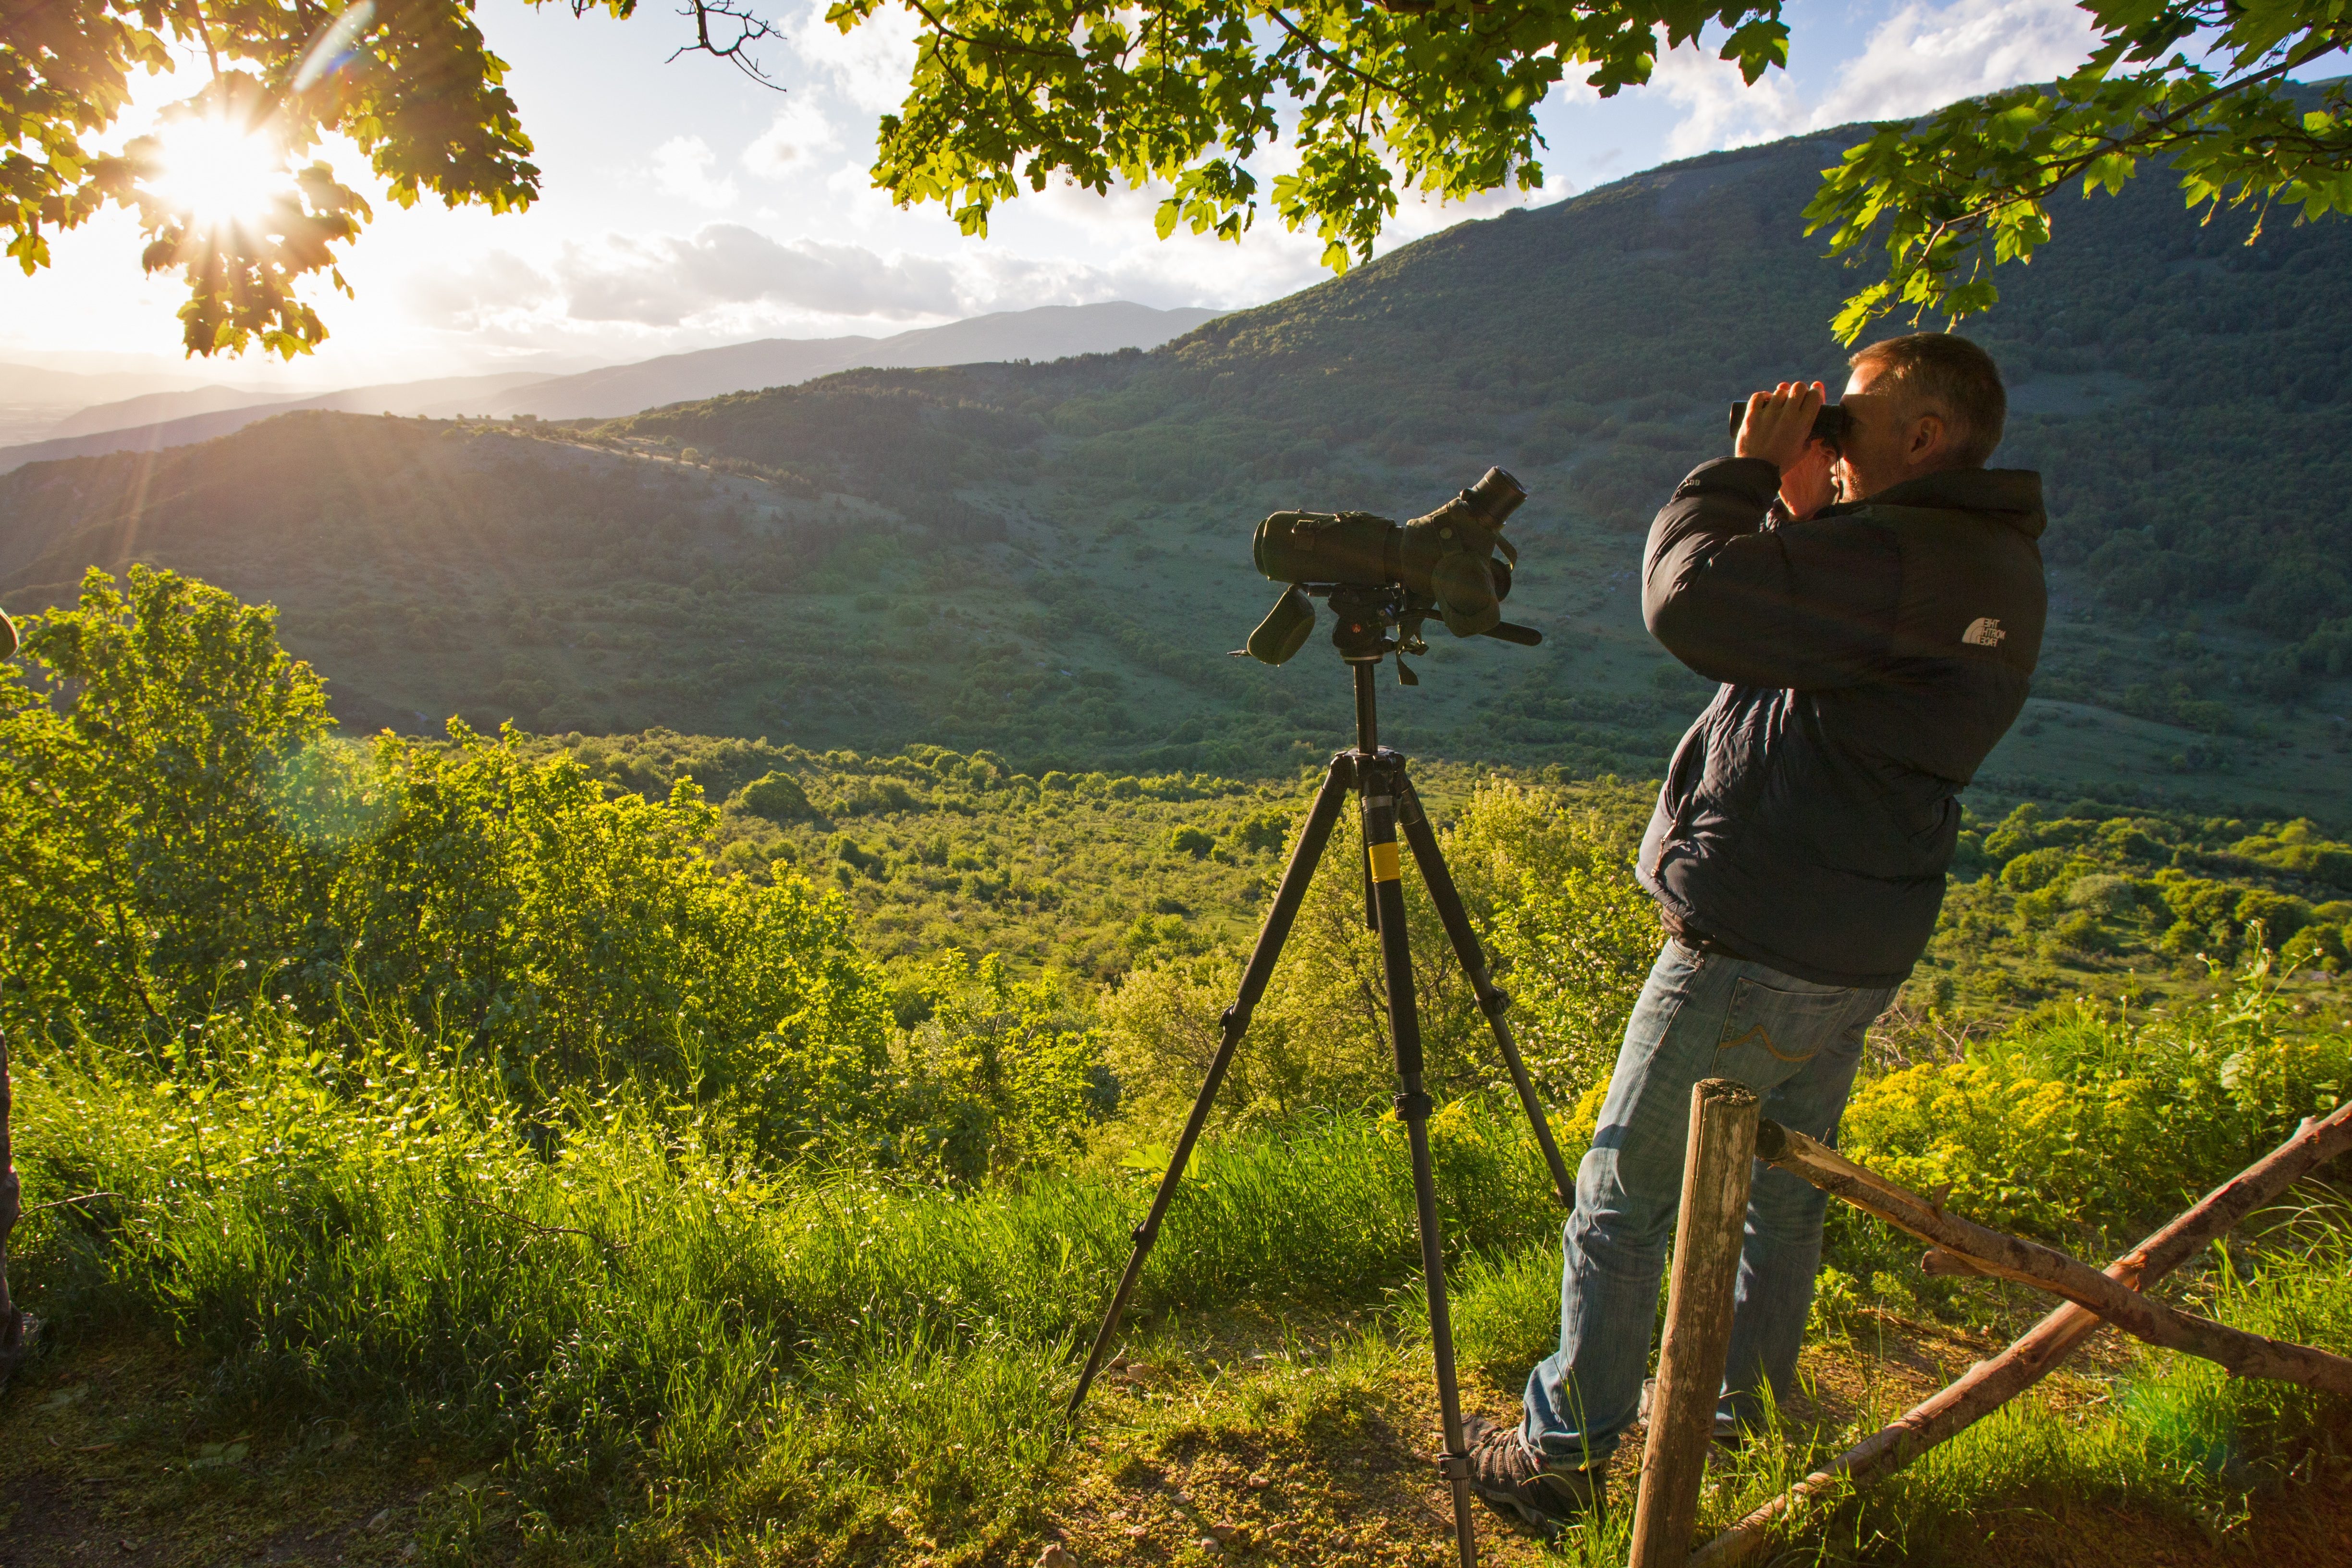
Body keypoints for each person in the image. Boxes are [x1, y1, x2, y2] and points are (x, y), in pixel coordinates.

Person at [1463, 331, 2048, 1530]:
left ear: (1926, 435)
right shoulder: (1975, 555)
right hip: (1858, 937)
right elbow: (1814, 642)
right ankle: (1750, 1409)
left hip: (1755, 940)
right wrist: (1804, 506)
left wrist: (1735, 477)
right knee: (1780, 1193)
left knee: (1625, 1201)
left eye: (1857, 412)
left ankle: (1563, 1457)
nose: (1831, 426)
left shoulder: (1904, 552)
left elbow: (1696, 606)